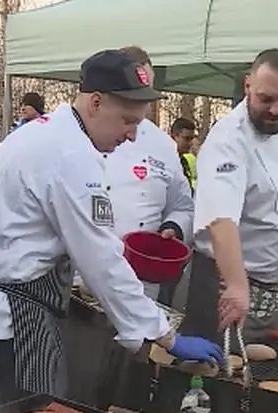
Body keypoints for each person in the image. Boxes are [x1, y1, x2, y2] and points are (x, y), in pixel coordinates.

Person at [0, 49, 223, 402]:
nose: (130, 135)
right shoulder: (71, 157)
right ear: (95, 103)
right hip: (18, 326)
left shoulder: (35, 134)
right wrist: (167, 337)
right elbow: (102, 260)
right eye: (128, 120)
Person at [182, 49, 278, 343]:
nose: (276, 110)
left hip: (273, 284)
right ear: (247, 86)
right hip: (228, 283)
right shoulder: (228, 141)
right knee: (224, 375)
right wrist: (237, 287)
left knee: (264, 372)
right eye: (266, 99)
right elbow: (220, 219)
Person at [100, 46, 193, 305]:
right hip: (80, 282)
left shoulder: (161, 145)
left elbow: (183, 206)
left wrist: (173, 227)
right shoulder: (79, 138)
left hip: (141, 285)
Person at [169, 117, 198, 190]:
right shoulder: (164, 162)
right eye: (187, 139)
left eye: (192, 139)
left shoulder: (184, 161)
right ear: (174, 137)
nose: (190, 143)